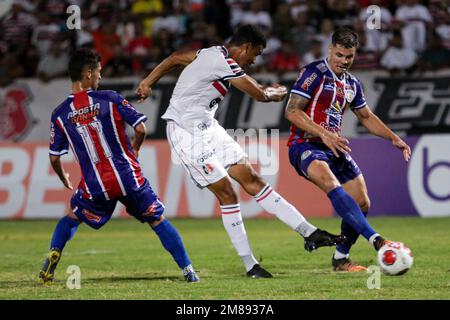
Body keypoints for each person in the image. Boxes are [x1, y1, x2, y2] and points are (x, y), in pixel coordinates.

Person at [135, 25, 345, 279]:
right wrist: (278, 92)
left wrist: (148, 81)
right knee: (227, 192)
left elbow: (176, 58)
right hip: (185, 132)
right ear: (245, 47)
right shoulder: (223, 61)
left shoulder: (210, 53)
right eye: (254, 55)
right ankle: (250, 265)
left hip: (208, 127)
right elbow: (259, 94)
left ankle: (309, 233)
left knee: (253, 180)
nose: (252, 61)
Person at [39, 48, 199, 283]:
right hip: (128, 175)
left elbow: (54, 157)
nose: (100, 77)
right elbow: (141, 128)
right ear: (88, 73)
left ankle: (54, 253)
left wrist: (63, 176)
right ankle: (189, 271)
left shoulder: (60, 114)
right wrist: (133, 152)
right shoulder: (111, 98)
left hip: (96, 184)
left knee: (72, 216)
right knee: (157, 220)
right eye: (99, 72)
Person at [285, 28, 412, 272]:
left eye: (349, 57)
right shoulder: (314, 73)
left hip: (334, 146)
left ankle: (341, 258)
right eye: (340, 54)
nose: (344, 61)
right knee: (331, 183)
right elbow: (292, 111)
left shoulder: (352, 83)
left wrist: (393, 137)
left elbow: (365, 116)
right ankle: (377, 240)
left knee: (362, 202)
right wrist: (324, 133)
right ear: (330, 49)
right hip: (305, 144)